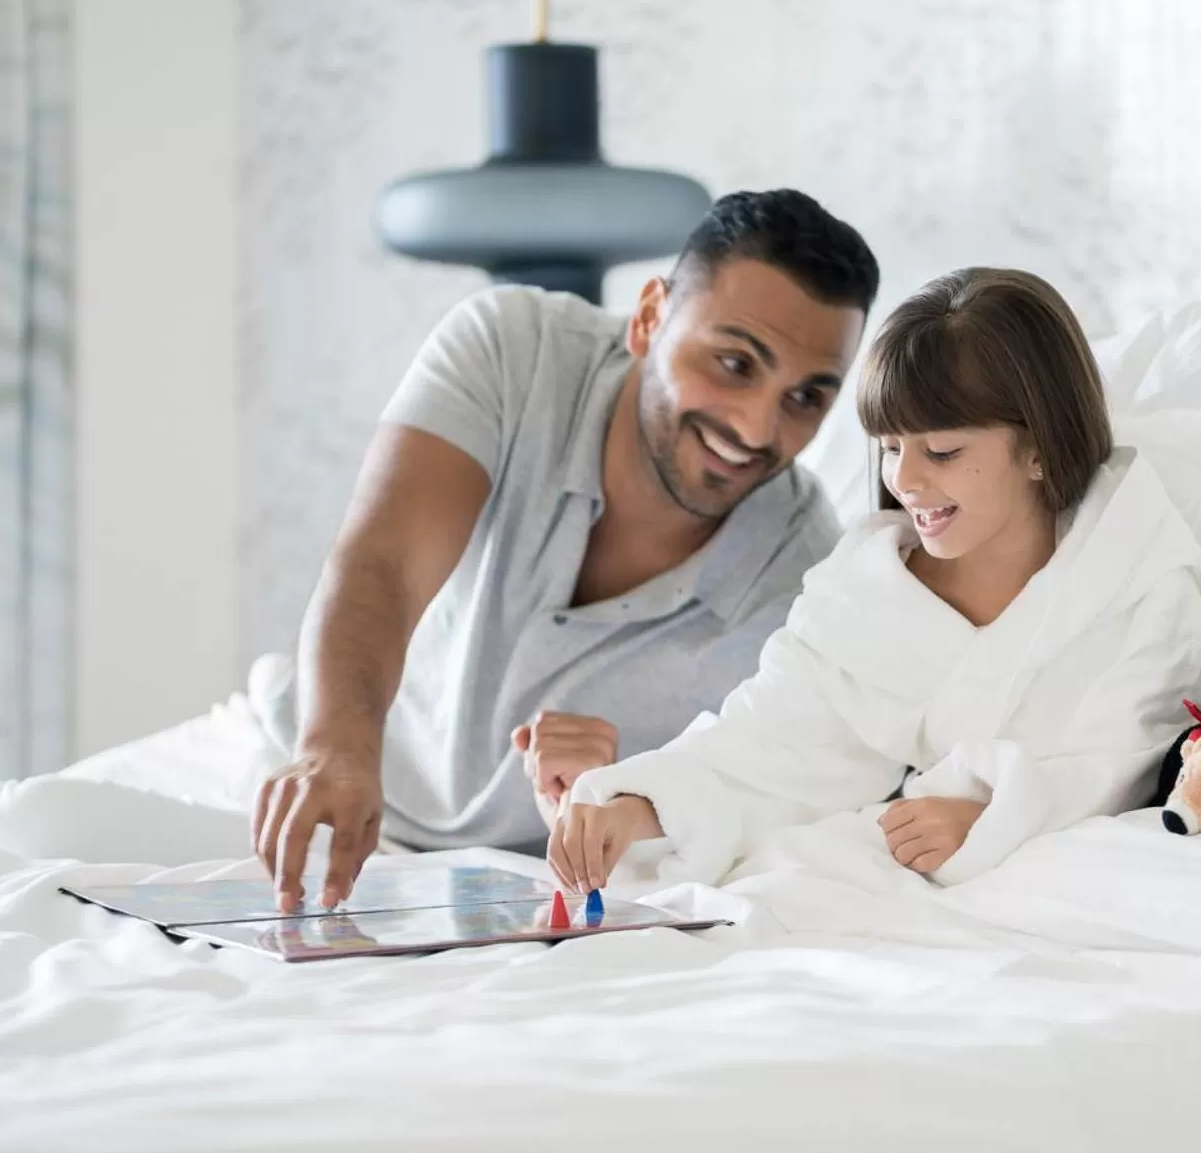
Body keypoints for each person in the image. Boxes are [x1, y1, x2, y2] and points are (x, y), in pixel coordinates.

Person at [251, 189, 880, 912]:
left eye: (806, 398)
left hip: (526, 879)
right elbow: (383, 566)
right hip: (336, 784)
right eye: (735, 363)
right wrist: (333, 749)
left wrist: (618, 796)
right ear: (648, 318)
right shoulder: (512, 348)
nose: (757, 428)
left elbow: (764, 789)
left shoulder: (799, 579)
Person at [543, 267, 1201, 894]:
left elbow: (1124, 759)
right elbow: (772, 745)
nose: (906, 481)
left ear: (1037, 447)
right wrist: (642, 807)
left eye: (942, 451)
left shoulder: (1137, 576)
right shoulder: (865, 595)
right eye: (892, 447)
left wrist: (988, 812)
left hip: (1062, 896)